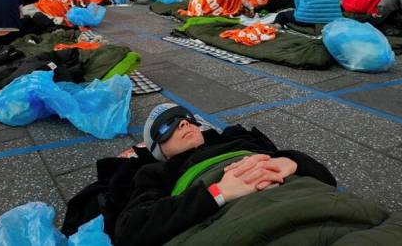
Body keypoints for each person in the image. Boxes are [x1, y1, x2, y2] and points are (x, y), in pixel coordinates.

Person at [114, 103, 336, 246]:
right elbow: (130, 231)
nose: (184, 122)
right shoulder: (156, 172)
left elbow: (327, 181)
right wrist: (217, 193)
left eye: (187, 118)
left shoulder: (239, 141)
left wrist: (293, 161)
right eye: (166, 126)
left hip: (304, 200)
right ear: (158, 151)